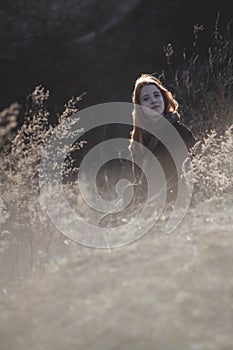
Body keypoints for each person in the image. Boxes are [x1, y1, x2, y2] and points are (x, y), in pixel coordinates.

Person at [129, 73, 196, 201]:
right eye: (146, 98)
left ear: (164, 99)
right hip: (148, 203)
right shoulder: (138, 140)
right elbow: (140, 180)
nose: (153, 100)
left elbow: (192, 170)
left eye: (156, 95)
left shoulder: (180, 132)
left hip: (177, 199)